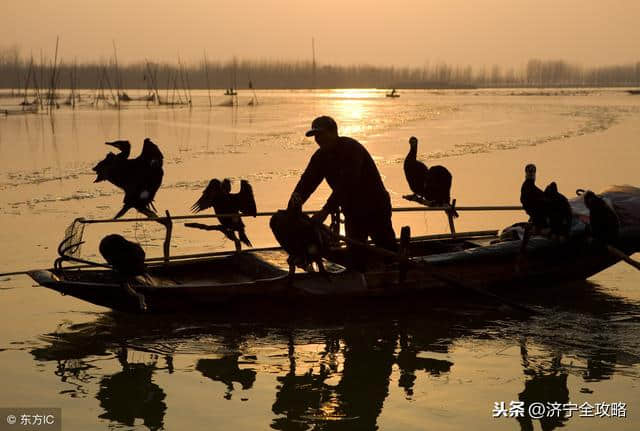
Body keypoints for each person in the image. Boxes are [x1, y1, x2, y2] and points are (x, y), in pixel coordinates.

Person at [288, 116, 397, 271]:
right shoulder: (320, 157)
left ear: (334, 133)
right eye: (316, 136)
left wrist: (325, 210)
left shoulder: (351, 149)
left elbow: (347, 184)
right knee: (355, 252)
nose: (318, 139)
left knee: (386, 248)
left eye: (321, 134)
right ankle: (361, 277)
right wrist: (292, 208)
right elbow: (306, 184)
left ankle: (396, 274)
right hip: (352, 210)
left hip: (375, 206)